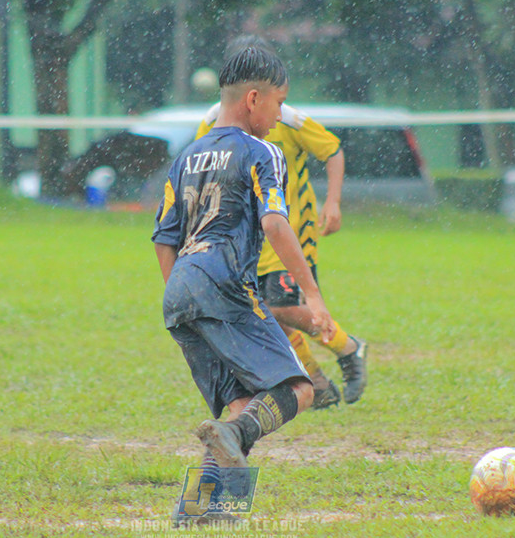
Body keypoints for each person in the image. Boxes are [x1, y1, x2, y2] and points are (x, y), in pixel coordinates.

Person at [153, 45, 335, 481]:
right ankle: (232, 437)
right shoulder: (261, 151)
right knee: (298, 389)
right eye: (279, 102)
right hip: (225, 283)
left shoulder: (186, 157)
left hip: (179, 291)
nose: (280, 115)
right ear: (254, 99)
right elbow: (274, 223)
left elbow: (164, 238)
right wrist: (312, 295)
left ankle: (208, 505)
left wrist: (183, 293)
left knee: (241, 406)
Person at [195, 36, 367, 408]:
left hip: (290, 230)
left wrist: (333, 202)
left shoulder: (286, 117)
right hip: (249, 239)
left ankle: (348, 347)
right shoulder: (212, 122)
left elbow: (333, 150)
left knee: (280, 308)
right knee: (268, 313)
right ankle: (317, 383)